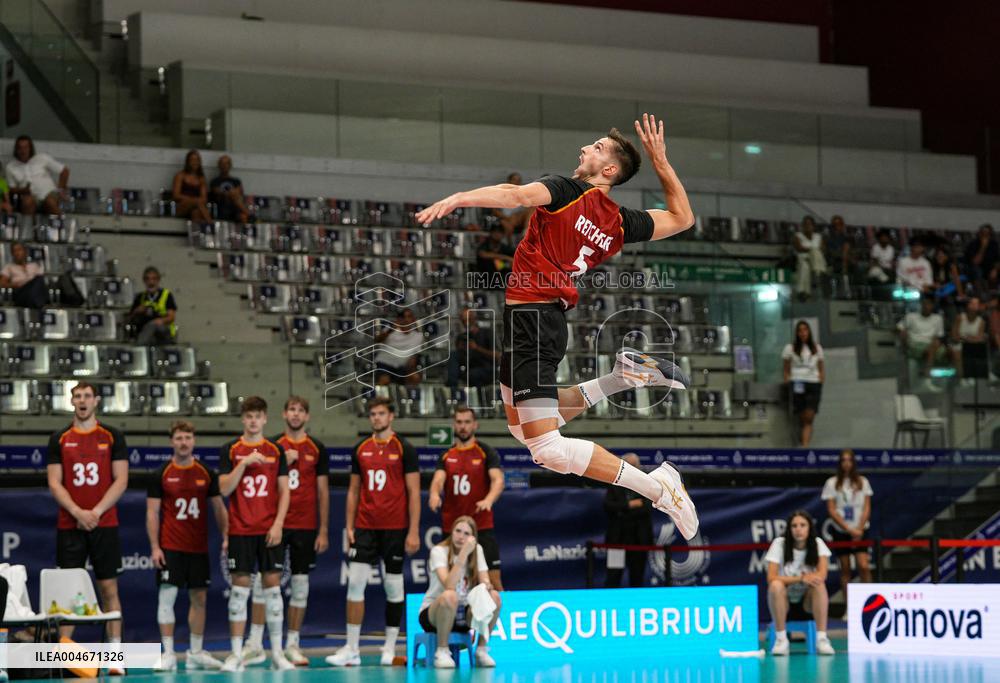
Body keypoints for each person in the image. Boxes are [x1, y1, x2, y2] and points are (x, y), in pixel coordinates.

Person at [415, 113, 699, 541]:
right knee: (518, 426)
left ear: (608, 170)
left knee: (547, 449)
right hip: (536, 321)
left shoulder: (565, 190)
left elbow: (514, 193)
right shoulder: (620, 222)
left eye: (597, 147)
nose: (586, 148)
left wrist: (459, 198)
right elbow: (683, 218)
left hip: (534, 319)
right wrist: (661, 161)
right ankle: (622, 379)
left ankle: (660, 487)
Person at [327, 397, 420, 667]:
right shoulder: (361, 448)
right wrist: (349, 525)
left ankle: (389, 648)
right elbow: (353, 491)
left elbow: (414, 492)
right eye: (373, 414)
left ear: (391, 416)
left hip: (394, 529)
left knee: (394, 587)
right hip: (365, 527)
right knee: (355, 585)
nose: (376, 418)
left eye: (381, 413)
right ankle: (352, 648)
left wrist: (413, 530)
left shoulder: (405, 448)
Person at [46, 382, 128, 675]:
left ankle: (115, 655)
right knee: (68, 593)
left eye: (87, 396)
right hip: (70, 523)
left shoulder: (112, 436)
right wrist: (78, 512)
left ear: (96, 401)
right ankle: (65, 658)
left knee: (109, 588)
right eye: (77, 396)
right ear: (72, 401)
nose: (82, 401)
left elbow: (121, 480)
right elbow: (55, 482)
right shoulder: (59, 438)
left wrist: (95, 512)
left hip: (104, 522)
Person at [243, 396, 329, 667]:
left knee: (300, 586)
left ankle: (292, 644)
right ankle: (255, 643)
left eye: (301, 410)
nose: (296, 414)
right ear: (283, 414)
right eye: (291, 409)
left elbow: (323, 491)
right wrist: (281, 459)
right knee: (263, 584)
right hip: (275, 523)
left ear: (307, 416)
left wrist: (323, 529)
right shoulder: (273, 445)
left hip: (304, 525)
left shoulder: (317, 448)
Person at [217, 396, 292, 672]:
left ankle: (277, 654)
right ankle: (237, 653)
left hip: (268, 530)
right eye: (248, 416)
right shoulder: (231, 449)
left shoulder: (275, 450)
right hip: (240, 529)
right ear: (243, 419)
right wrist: (244, 463)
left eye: (257, 416)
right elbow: (224, 488)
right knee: (239, 593)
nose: (253, 421)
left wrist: (278, 524)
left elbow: (285, 491)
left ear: (265, 419)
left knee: (273, 592)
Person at [147, 420, 228, 672]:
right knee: (166, 597)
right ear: (172, 441)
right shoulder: (160, 473)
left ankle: (194, 652)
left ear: (194, 441)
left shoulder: (205, 473)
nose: (184, 442)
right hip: (171, 546)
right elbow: (152, 512)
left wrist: (226, 535)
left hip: (198, 547)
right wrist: (155, 547)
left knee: (199, 598)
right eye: (179, 438)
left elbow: (218, 507)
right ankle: (169, 653)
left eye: (188, 438)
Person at [429, 407, 505, 590]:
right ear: (454, 425)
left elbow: (498, 480)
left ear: (475, 425)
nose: (463, 426)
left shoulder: (485, 452)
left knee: (493, 581)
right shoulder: (447, 455)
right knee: (452, 581)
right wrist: (433, 493)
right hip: (453, 528)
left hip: (481, 526)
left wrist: (489, 499)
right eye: (459, 422)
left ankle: (501, 617)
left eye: (467, 422)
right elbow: (438, 480)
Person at [418, 516, 501, 669]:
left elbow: (485, 580)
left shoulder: (477, 551)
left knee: (495, 597)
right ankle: (442, 651)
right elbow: (449, 584)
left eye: (466, 533)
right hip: (435, 614)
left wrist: (486, 586)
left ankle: (481, 650)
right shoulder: (439, 551)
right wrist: (463, 554)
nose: (461, 536)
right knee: (450, 596)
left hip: (463, 615)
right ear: (452, 531)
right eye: (458, 531)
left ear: (472, 537)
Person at [765, 510, 834, 656]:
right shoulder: (779, 544)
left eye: (803, 525)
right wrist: (800, 579)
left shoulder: (818, 544)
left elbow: (822, 574)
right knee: (776, 585)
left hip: (807, 604)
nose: (798, 529)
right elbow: (771, 577)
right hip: (784, 603)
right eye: (794, 526)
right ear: (789, 529)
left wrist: (810, 579)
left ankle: (821, 639)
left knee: (819, 584)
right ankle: (781, 639)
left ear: (809, 528)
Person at [821, 449, 873, 598]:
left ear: (854, 462)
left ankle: (870, 603)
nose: (846, 463)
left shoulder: (863, 481)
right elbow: (831, 510)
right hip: (841, 530)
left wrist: (859, 529)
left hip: (861, 529)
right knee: (845, 568)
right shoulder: (831, 483)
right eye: (843, 460)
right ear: (839, 463)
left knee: (863, 565)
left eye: (849, 460)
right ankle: (848, 608)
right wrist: (848, 529)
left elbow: (867, 506)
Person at [603, 453, 653, 587]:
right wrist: (629, 505)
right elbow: (608, 506)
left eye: (636, 465)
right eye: (630, 465)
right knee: (613, 575)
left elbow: (647, 507)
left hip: (638, 540)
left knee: (637, 577)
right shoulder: (614, 483)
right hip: (617, 540)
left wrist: (622, 511)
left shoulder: (645, 483)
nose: (634, 468)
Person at [782, 320, 824, 447]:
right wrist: (787, 380)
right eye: (800, 330)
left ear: (809, 331)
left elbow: (821, 367)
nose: (803, 333)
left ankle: (805, 444)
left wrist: (821, 380)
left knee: (810, 415)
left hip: (813, 382)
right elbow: (786, 368)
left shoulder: (817, 348)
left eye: (805, 330)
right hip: (798, 382)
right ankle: (802, 440)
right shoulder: (790, 348)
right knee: (801, 412)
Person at [4, 135, 68, 215]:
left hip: (49, 193)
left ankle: (59, 225)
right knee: (27, 202)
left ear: (30, 148)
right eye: (20, 148)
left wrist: (61, 190)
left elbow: (64, 171)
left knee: (50, 202)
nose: (23, 151)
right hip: (28, 195)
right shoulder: (10, 167)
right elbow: (11, 188)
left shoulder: (42, 158)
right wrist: (23, 190)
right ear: (16, 150)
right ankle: (29, 226)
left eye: (26, 147)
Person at [447, 309, 499, 393]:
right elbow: (458, 358)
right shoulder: (462, 337)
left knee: (472, 375)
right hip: (470, 368)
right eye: (463, 320)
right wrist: (461, 348)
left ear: (474, 319)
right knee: (453, 355)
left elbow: (497, 355)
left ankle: (479, 398)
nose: (466, 322)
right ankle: (452, 387)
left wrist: (477, 348)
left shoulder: (487, 333)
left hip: (487, 368)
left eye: (468, 319)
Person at [897, 296, 948, 379]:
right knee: (931, 350)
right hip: (915, 343)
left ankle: (951, 380)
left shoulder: (938, 318)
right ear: (921, 305)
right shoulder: (911, 316)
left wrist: (935, 343)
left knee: (948, 351)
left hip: (931, 344)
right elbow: (899, 328)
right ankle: (927, 375)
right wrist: (903, 334)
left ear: (932, 306)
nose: (926, 306)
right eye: (924, 304)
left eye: (929, 304)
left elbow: (939, 336)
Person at [127, 266, 177, 345]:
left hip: (163, 332)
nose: (151, 282)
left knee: (153, 325)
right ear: (144, 281)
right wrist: (137, 311)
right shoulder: (140, 297)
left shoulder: (166, 295)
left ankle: (139, 346)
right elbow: (129, 318)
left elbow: (171, 317)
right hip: (146, 334)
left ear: (158, 280)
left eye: (154, 279)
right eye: (148, 279)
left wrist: (159, 321)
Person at [373, 309, 422, 387]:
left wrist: (411, 369)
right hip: (385, 363)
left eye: (409, 317)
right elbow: (377, 340)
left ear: (413, 319)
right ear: (399, 319)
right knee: (384, 380)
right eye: (403, 317)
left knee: (414, 377)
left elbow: (415, 356)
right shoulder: (390, 330)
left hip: (402, 366)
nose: (406, 320)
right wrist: (391, 330)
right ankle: (380, 397)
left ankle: (408, 397)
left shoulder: (418, 336)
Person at [0, 241, 47, 309]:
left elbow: (40, 282)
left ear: (25, 252)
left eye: (19, 250)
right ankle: (38, 305)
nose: (17, 253)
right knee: (37, 282)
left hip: (34, 291)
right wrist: (14, 284)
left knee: (39, 280)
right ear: (12, 254)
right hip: (20, 292)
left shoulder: (34, 265)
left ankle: (36, 302)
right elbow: (1, 283)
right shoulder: (9, 267)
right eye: (14, 251)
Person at [951, 295, 988, 380]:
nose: (974, 305)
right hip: (958, 345)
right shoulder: (960, 317)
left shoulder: (981, 321)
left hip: (972, 346)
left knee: (980, 350)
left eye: (976, 304)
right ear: (968, 305)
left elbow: (979, 338)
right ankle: (962, 379)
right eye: (972, 303)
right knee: (957, 352)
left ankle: (978, 378)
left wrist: (965, 338)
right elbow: (954, 336)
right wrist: (968, 338)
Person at [792, 216, 827, 301]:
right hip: (803, 258)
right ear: (802, 226)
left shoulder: (818, 236)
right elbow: (799, 248)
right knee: (805, 265)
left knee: (815, 253)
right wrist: (812, 249)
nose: (808, 226)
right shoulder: (798, 236)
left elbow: (823, 249)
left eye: (810, 224)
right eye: (806, 224)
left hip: (817, 258)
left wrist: (810, 249)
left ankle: (804, 290)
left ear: (813, 226)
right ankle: (817, 274)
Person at [172, 150, 210, 223]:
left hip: (197, 208)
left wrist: (195, 201)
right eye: (192, 160)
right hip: (182, 206)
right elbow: (176, 195)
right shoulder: (180, 176)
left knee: (195, 213)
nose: (194, 162)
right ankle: (211, 224)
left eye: (196, 160)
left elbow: (204, 199)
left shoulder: (201, 178)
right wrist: (192, 200)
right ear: (187, 162)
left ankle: (197, 234)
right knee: (197, 202)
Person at [210, 155, 249, 223]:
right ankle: (250, 214)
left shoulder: (236, 181)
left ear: (230, 165)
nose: (224, 166)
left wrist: (228, 193)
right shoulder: (215, 181)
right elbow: (216, 191)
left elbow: (239, 193)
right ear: (219, 165)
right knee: (233, 196)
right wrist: (230, 193)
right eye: (222, 163)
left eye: (226, 163)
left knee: (243, 217)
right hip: (221, 208)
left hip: (235, 208)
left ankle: (246, 216)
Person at [962, 224, 999, 293]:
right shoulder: (973, 244)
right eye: (983, 233)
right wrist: (983, 247)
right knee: (978, 271)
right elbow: (975, 262)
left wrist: (995, 269)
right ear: (979, 234)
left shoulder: (994, 244)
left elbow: (997, 259)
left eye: (987, 234)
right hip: (973, 268)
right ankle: (981, 294)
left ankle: (995, 295)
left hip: (989, 268)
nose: (985, 236)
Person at [825, 215, 853, 296]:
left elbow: (849, 251)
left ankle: (848, 293)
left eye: (839, 224)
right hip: (832, 261)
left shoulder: (847, 238)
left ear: (843, 225)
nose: (837, 227)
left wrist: (845, 256)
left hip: (845, 262)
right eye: (835, 225)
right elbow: (830, 252)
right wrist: (842, 254)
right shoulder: (828, 238)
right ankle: (836, 293)